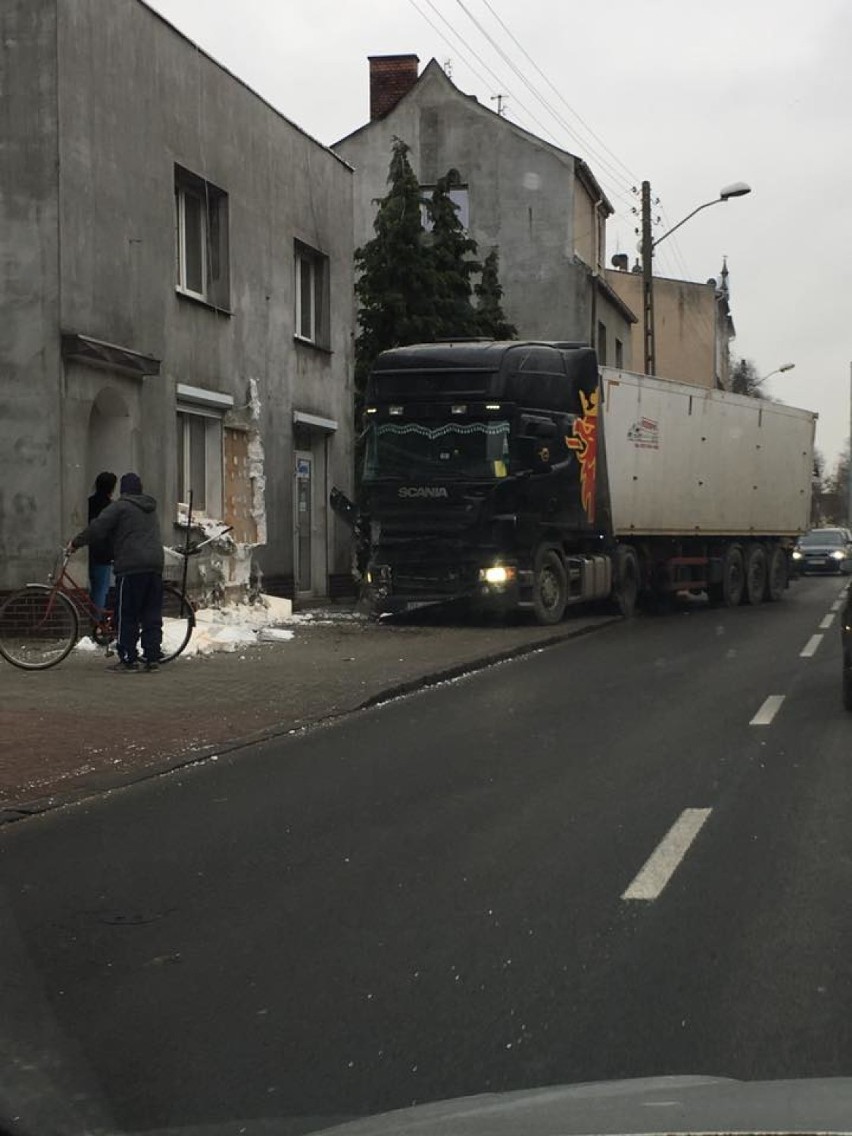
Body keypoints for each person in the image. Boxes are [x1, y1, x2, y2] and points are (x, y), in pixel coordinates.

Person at [68, 472, 164, 673]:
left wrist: (76, 543)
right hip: (155, 565)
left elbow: (98, 528)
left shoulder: (120, 507)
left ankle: (128, 659)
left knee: (126, 613)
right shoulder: (150, 508)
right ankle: (152, 656)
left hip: (132, 567)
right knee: (151, 613)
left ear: (123, 490)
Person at [87, 471, 117, 613]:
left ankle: (94, 618)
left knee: (93, 587)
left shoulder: (89, 503)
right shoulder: (111, 507)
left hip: (90, 550)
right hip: (104, 553)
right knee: (101, 589)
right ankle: (97, 622)